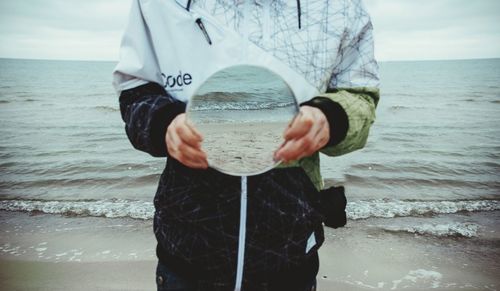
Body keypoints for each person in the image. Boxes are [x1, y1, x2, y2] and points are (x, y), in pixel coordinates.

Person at [114, 0, 379, 290]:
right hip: (186, 251)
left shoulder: (342, 7)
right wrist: (165, 124)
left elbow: (360, 95)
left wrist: (331, 118)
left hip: (290, 251)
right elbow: (135, 90)